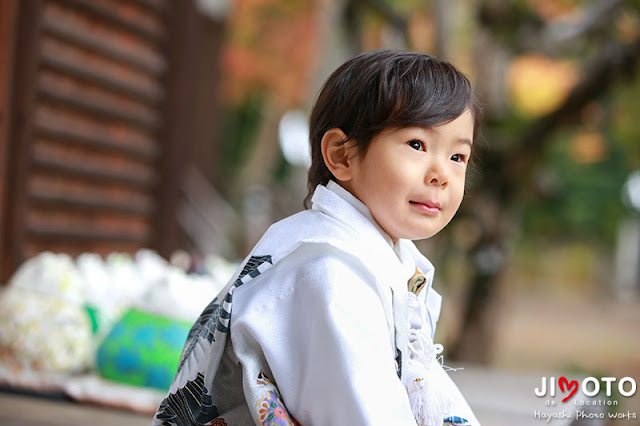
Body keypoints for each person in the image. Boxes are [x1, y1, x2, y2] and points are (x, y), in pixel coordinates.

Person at [153, 49, 483, 426]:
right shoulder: (329, 271)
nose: (441, 173)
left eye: (458, 157)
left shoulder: (378, 255)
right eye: (417, 145)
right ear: (342, 156)